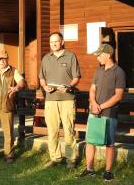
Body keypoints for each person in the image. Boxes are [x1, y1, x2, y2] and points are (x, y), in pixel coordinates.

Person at [79, 44, 126, 181]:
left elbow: (118, 95)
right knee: (90, 141)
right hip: (94, 112)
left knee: (109, 143)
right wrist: (94, 104)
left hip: (109, 113)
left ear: (108, 55)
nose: (97, 57)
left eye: (100, 55)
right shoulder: (98, 71)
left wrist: (101, 106)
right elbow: (92, 89)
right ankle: (89, 169)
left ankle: (107, 172)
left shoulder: (119, 72)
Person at [39, 32, 81, 169]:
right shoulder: (46, 58)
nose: (53, 44)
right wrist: (44, 86)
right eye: (51, 42)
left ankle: (71, 159)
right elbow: (42, 77)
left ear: (62, 41)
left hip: (67, 99)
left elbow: (76, 77)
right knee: (52, 130)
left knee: (68, 130)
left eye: (56, 41)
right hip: (50, 100)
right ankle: (55, 158)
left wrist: (69, 86)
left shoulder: (71, 56)